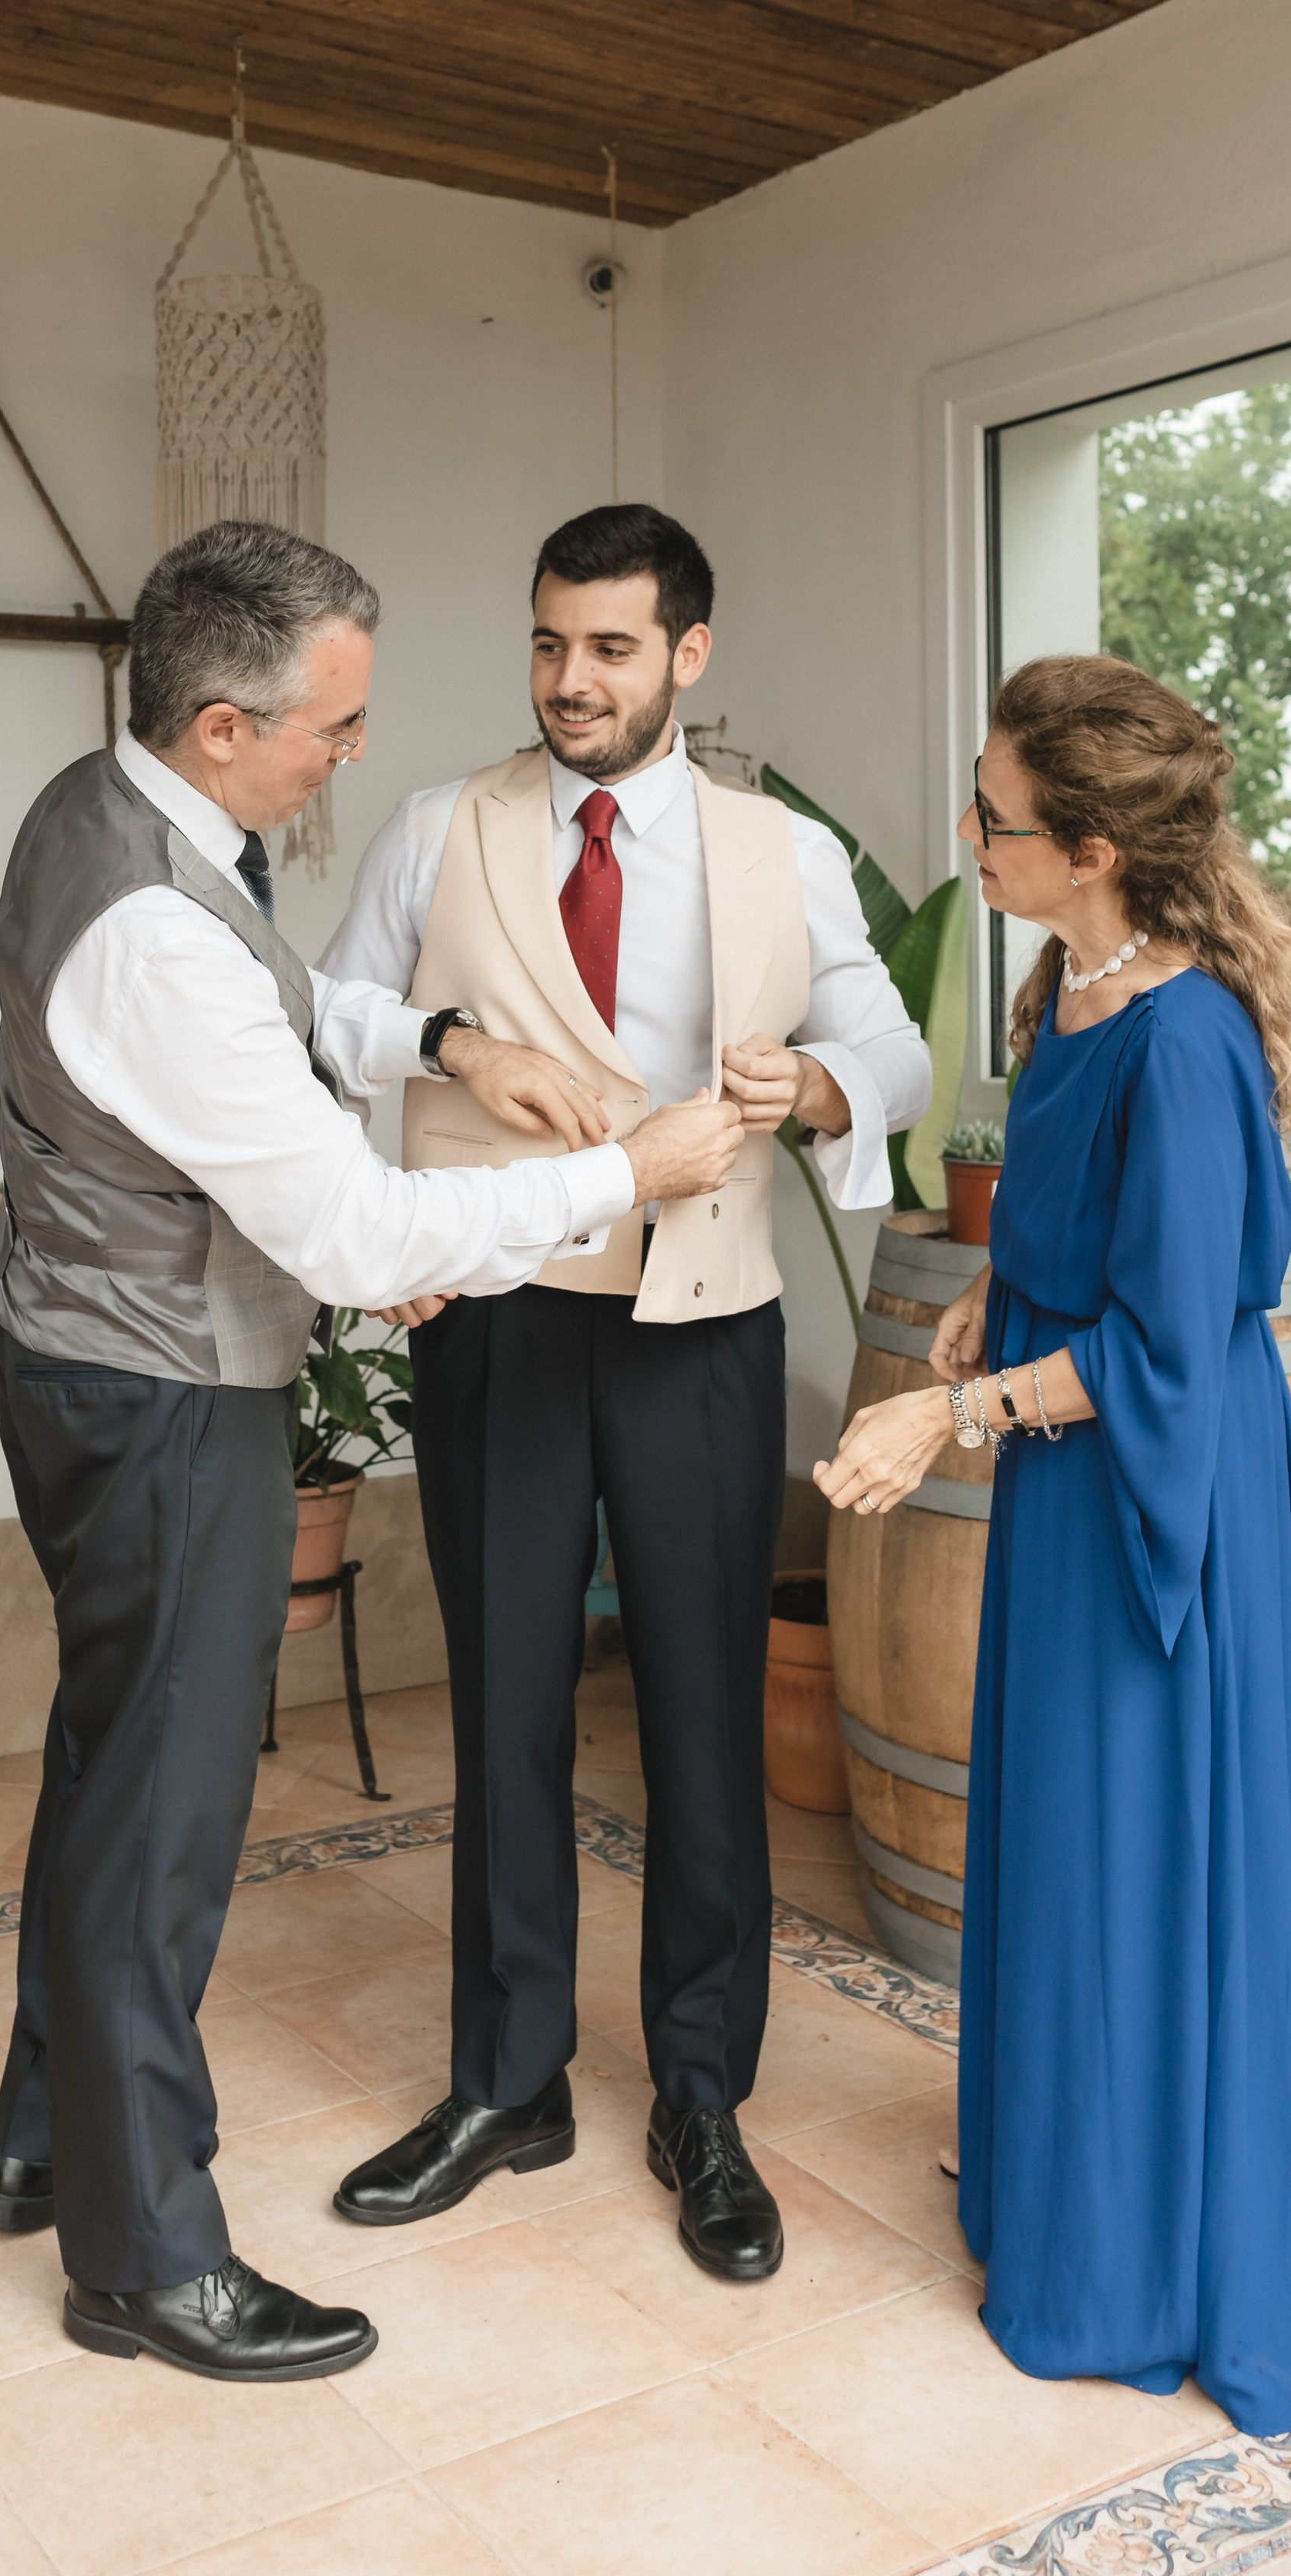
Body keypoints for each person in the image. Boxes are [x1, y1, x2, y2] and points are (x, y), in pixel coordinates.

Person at [0, 518, 743, 2383]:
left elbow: (287, 1002)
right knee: (163, 1821)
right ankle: (144, 2255)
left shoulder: (111, 805)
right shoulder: (151, 927)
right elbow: (358, 1243)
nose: (348, 758)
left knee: (108, 1767)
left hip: (85, 1358)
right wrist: (619, 1173)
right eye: (330, 728)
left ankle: (41, 2138)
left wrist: (449, 1040)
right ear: (225, 725)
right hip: (160, 1397)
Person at [320, 504, 928, 2278]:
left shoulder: (774, 851)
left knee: (696, 1711)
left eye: (605, 648)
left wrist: (815, 1080)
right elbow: (326, 1015)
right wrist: (456, 1044)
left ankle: (699, 2096)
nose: (567, 681)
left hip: (703, 1320)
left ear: (686, 654)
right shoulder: (440, 825)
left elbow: (886, 1040)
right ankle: (506, 2079)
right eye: (544, 644)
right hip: (499, 1310)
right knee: (506, 1696)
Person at [817, 653, 1291, 2437]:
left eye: (992, 816)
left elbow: (1170, 1343)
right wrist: (991, 1285)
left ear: (1096, 844)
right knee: (1059, 1850)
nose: (965, 837)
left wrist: (945, 1413)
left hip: (1168, 1520)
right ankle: (1063, 2189)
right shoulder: (1062, 979)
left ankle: (1151, 2257)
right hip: (1074, 1492)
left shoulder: (1190, 1037)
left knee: (1141, 1865)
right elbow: (1081, 1224)